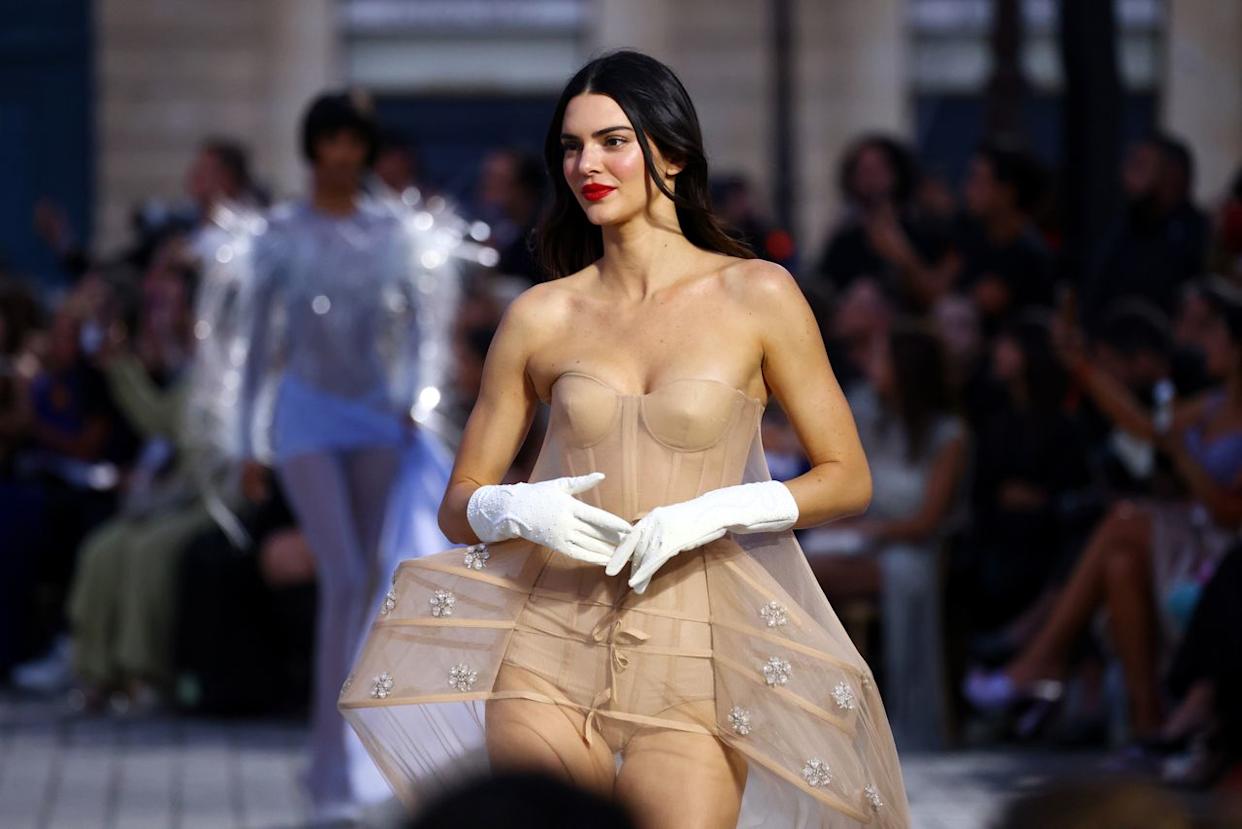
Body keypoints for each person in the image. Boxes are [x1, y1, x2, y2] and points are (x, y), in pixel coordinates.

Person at [341, 51, 909, 829]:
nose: (587, 165)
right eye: (571, 148)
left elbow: (847, 477)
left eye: (612, 141)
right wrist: (514, 508)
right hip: (547, 634)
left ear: (670, 151)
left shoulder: (757, 294)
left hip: (697, 644)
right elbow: (457, 503)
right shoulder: (543, 315)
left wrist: (719, 510)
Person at [234, 91, 461, 821]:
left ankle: (359, 758)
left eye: (353, 141)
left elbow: (424, 325)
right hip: (305, 413)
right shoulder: (281, 235)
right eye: (331, 140)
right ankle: (328, 765)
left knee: (368, 583)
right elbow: (252, 349)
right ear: (313, 147)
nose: (343, 154)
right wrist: (248, 440)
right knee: (342, 574)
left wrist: (412, 398)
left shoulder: (390, 232)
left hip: (372, 415)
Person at [807, 322, 969, 751]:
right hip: (862, 543)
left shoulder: (947, 435)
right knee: (796, 561)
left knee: (803, 574)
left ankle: (830, 704)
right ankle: (822, 703)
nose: (872, 366)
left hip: (913, 554)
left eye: (882, 357)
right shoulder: (867, 413)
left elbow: (928, 522)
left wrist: (864, 530)